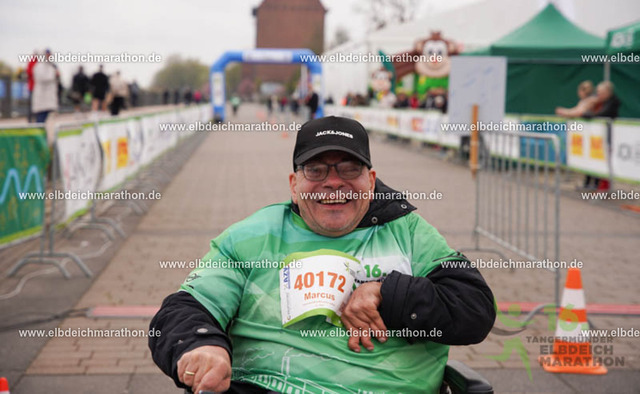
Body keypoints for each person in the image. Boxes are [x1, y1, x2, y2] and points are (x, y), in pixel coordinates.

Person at [149, 116, 495, 393]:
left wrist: (387, 293)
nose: (333, 182)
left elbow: (474, 308)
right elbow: (185, 309)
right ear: (294, 185)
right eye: (315, 170)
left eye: (349, 168)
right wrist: (201, 346)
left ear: (371, 180)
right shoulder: (250, 236)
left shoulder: (409, 232)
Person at [31, 50, 59, 123]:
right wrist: (54, 74)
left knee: (45, 116)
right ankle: (39, 129)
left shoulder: (51, 66)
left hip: (48, 97)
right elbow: (42, 78)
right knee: (41, 117)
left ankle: (42, 129)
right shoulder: (39, 66)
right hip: (42, 96)